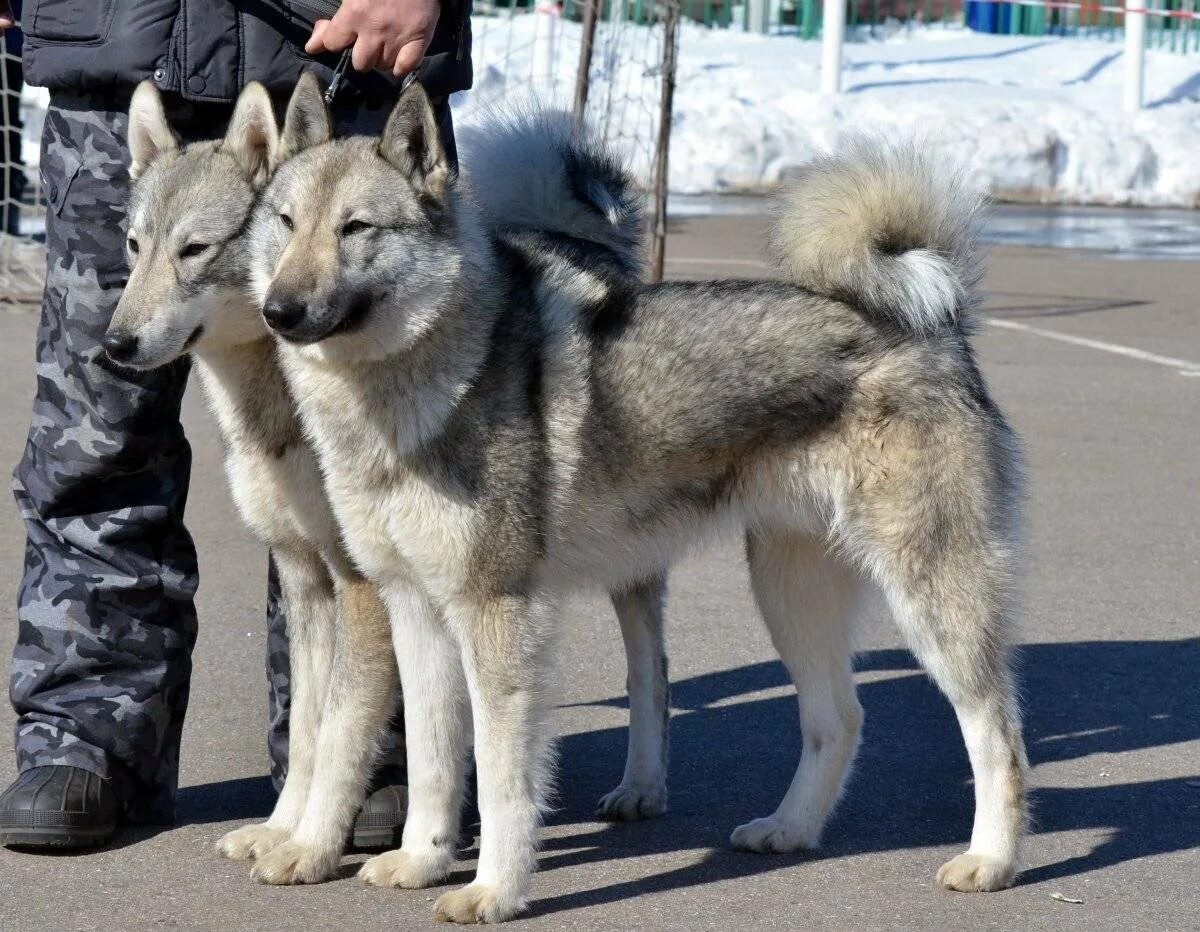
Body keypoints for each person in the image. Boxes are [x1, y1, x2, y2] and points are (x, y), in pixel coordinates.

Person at [0, 0, 471, 850]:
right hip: (114, 51)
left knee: (388, 466)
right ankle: (88, 731)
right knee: (93, 443)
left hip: (337, 59)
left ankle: (375, 751)